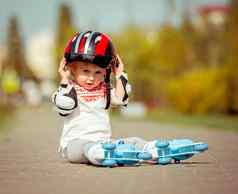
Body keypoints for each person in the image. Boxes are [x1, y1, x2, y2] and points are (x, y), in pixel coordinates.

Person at [52, 31, 208, 166]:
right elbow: (66, 104)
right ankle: (99, 153)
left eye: (98, 72)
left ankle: (155, 150)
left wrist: (120, 73)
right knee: (85, 147)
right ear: (70, 68)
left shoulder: (104, 90)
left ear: (106, 72)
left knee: (132, 141)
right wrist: (65, 79)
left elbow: (121, 98)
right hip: (74, 146)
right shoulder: (68, 90)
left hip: (105, 144)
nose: (91, 78)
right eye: (85, 71)